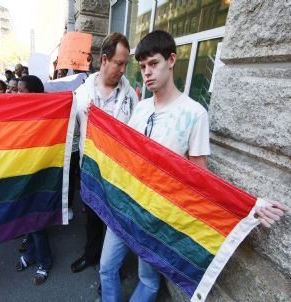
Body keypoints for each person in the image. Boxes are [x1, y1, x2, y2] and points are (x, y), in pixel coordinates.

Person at [99, 30, 289, 302]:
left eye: (154, 64)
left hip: (157, 216)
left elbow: (201, 178)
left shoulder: (194, 113)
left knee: (148, 280)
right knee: (107, 267)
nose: (147, 73)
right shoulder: (140, 109)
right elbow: (126, 154)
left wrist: (247, 206)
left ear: (172, 60)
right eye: (142, 67)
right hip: (126, 204)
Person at [71, 32, 138, 274]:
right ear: (105, 59)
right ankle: (91, 256)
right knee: (92, 218)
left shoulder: (130, 96)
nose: (123, 69)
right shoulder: (81, 94)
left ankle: (112, 268)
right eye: (119, 63)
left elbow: (136, 133)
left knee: (116, 220)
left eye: (126, 64)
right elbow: (73, 132)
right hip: (90, 168)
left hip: (118, 172)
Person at [15, 75, 53, 285]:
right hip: (21, 177)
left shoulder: (45, 117)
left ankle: (44, 262)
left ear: (34, 93)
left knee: (36, 224)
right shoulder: (18, 114)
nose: (17, 94)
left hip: (38, 178)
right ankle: (31, 255)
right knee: (27, 221)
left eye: (22, 90)